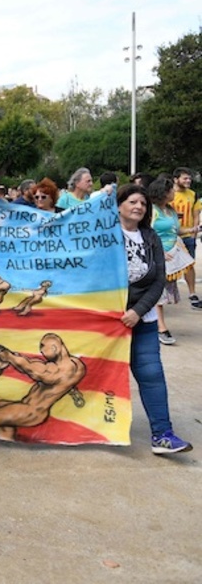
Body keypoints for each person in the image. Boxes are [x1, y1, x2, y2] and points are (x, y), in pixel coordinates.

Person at [116, 183, 192, 454]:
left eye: (143, 203)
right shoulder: (103, 236)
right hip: (108, 324)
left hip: (143, 320)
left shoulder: (150, 237)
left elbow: (159, 279)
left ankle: (162, 435)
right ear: (118, 206)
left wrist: (137, 311)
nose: (138, 207)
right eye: (132, 202)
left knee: (151, 375)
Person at [0, 333, 86, 440]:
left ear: (54, 348)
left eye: (43, 347)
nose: (42, 352)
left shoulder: (56, 370)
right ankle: (5, 441)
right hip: (34, 411)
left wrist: (9, 356)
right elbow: (64, 382)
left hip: (31, 411)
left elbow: (31, 368)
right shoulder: (77, 365)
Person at [148, 176, 192, 345]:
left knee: (163, 292)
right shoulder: (153, 211)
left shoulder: (170, 210)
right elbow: (147, 232)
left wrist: (194, 229)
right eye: (171, 190)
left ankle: (157, 325)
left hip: (172, 257)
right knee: (158, 292)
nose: (174, 192)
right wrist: (158, 251)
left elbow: (176, 230)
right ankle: (161, 328)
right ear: (163, 192)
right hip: (158, 257)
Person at [172, 167, 202, 309]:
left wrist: (194, 233)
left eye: (189, 178)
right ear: (176, 179)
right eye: (185, 178)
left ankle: (192, 293)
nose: (188, 181)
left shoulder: (193, 195)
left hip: (188, 235)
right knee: (168, 266)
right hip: (170, 237)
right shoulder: (168, 193)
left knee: (189, 265)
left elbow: (196, 215)